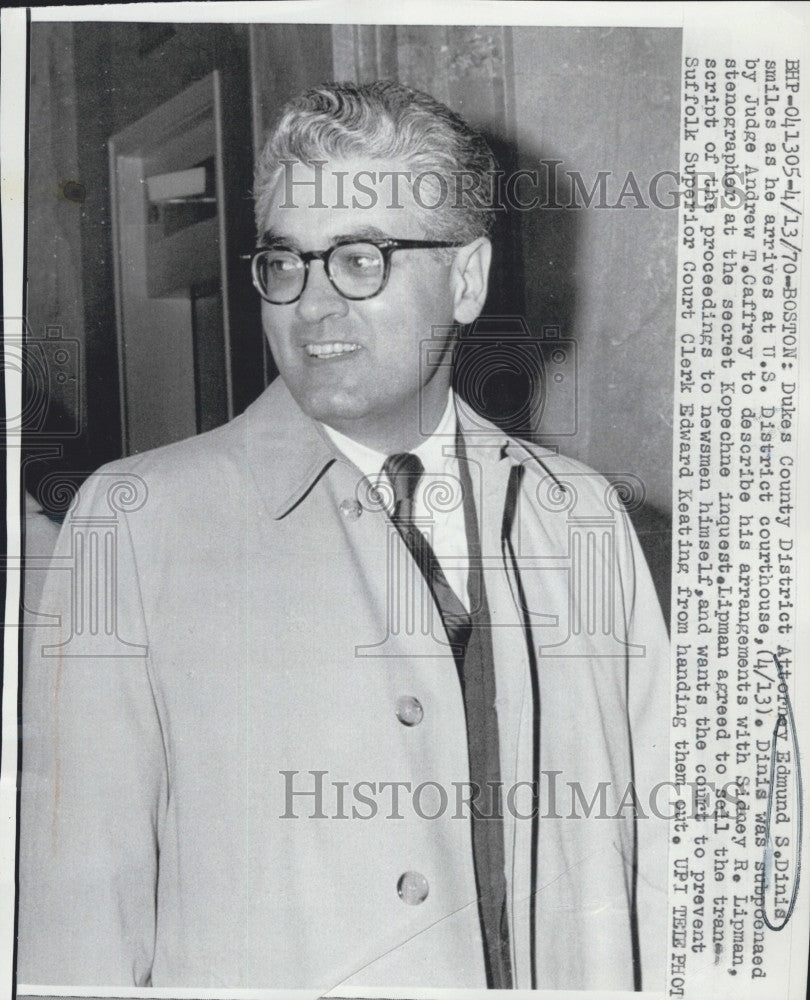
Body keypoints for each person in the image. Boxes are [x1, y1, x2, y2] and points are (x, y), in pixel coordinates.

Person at [18, 81, 669, 992]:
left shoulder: (586, 518)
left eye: (360, 258)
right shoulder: (136, 523)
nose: (312, 306)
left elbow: (662, 867)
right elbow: (76, 919)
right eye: (286, 263)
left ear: (469, 278)